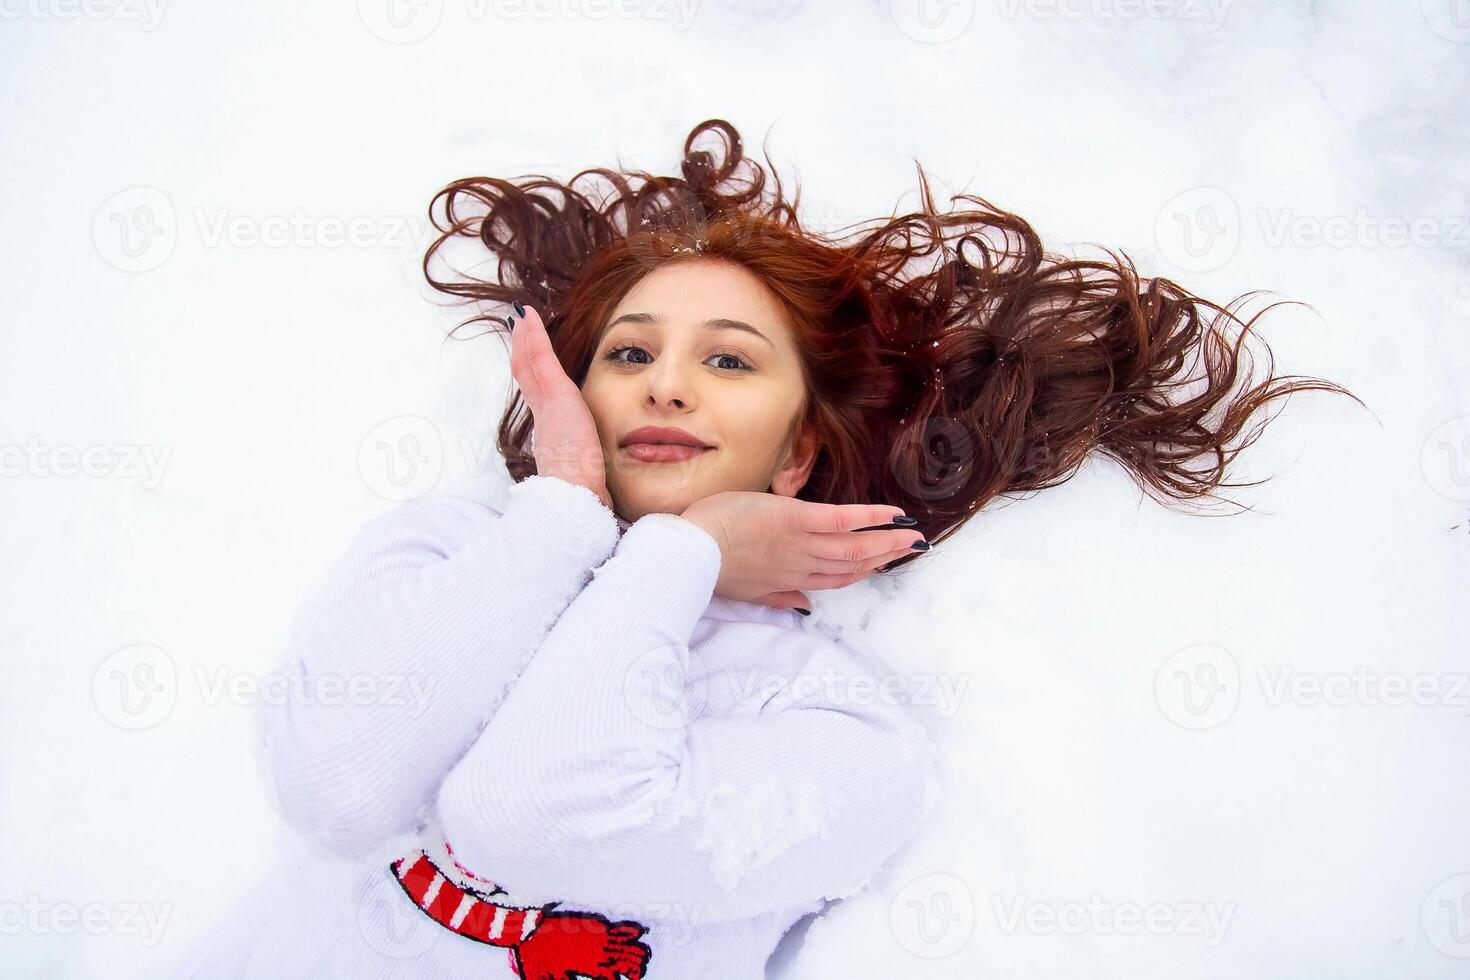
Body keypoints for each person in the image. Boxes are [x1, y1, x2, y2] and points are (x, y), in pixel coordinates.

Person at [170, 118, 1361, 979]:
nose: (668, 379)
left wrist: (670, 561)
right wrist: (568, 506)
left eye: (728, 358)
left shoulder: (841, 733)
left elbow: (530, 817)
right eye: (629, 354)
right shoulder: (436, 552)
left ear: (798, 455)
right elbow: (337, 788)